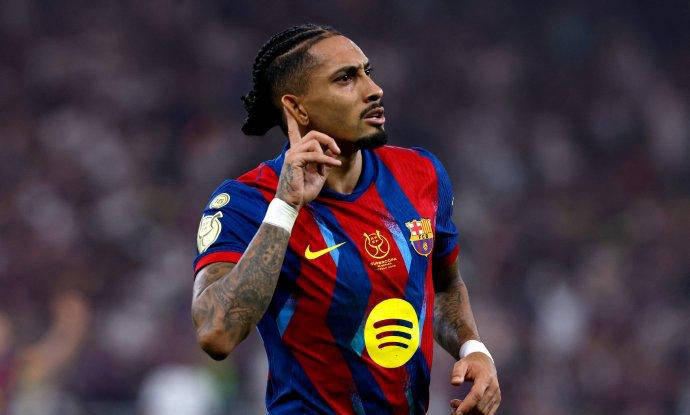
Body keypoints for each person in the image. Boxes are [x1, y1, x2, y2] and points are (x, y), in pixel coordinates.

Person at [191, 23, 500, 415]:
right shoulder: (246, 202)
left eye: (367, 72)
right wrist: (286, 206)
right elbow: (216, 333)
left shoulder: (421, 174)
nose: (374, 89)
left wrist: (474, 348)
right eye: (345, 79)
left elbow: (446, 284)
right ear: (297, 108)